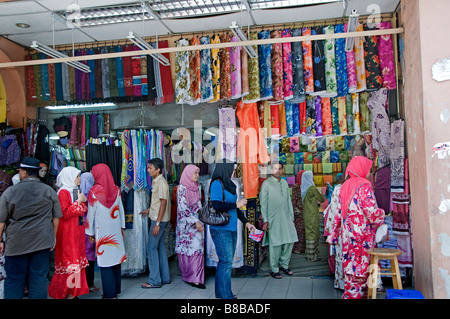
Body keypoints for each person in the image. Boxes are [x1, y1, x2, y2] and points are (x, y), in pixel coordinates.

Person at [0, 157, 62, 299]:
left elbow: (1, 221)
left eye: (21, 170)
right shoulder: (48, 191)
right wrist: (53, 237)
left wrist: (0, 241)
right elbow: (56, 218)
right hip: (42, 241)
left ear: (25, 173)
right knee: (39, 278)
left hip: (16, 243)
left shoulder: (10, 192)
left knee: (14, 279)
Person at [326, 156, 385, 299]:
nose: (371, 173)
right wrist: (382, 215)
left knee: (352, 276)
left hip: (347, 238)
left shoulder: (344, 186)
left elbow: (338, 214)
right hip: (361, 238)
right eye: (369, 170)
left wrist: (333, 235)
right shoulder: (364, 185)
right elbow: (371, 213)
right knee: (360, 275)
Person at [209, 162, 255, 299]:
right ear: (225, 169)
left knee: (224, 262)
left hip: (231, 228)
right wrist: (236, 204)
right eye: (232, 170)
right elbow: (216, 205)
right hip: (220, 229)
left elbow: (235, 209)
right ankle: (227, 296)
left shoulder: (230, 184)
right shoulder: (216, 184)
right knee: (226, 262)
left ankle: (220, 293)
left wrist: (247, 223)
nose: (233, 173)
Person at [48, 166, 89, 299]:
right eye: (77, 176)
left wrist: (80, 202)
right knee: (69, 262)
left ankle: (73, 292)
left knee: (75, 262)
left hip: (76, 231)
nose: (79, 179)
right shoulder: (63, 192)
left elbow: (80, 210)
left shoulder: (74, 190)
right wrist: (79, 202)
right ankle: (66, 291)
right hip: (67, 232)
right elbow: (64, 213)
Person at [86, 164, 126, 299]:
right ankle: (116, 289)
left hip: (102, 231)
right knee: (115, 259)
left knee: (105, 261)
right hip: (115, 229)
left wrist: (89, 232)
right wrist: (122, 227)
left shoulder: (93, 192)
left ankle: (110, 294)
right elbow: (121, 210)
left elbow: (91, 214)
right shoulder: (117, 190)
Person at [260, 163, 298, 279]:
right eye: (275, 169)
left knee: (289, 241)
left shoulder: (285, 183)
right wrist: (265, 220)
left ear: (282, 170)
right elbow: (263, 203)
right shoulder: (266, 184)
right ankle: (274, 269)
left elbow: (288, 201)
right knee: (275, 244)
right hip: (273, 219)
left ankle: (284, 264)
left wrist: (291, 217)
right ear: (271, 170)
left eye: (280, 169)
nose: (278, 171)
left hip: (286, 217)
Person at [140, 158, 171, 288]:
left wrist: (157, 224)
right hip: (158, 217)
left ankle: (154, 280)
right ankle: (164, 277)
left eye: (151, 168)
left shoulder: (161, 183)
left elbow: (163, 203)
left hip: (159, 220)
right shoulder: (156, 181)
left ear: (158, 170)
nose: (148, 170)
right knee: (160, 247)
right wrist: (148, 210)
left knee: (151, 248)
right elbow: (158, 202)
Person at [175, 164, 205, 289]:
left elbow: (198, 204)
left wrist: (200, 219)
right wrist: (194, 221)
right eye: (195, 173)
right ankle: (187, 275)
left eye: (198, 173)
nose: (197, 176)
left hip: (197, 223)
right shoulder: (181, 188)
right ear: (188, 174)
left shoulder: (198, 187)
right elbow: (182, 208)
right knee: (185, 250)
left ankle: (197, 279)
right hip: (185, 225)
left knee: (197, 249)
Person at [323, 173, 345, 290]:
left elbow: (331, 207)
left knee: (339, 254)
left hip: (339, 227)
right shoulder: (363, 187)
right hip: (349, 229)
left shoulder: (337, 189)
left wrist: (331, 230)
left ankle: (341, 282)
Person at [80, 172, 99, 292]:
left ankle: (83, 284)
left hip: (80, 227)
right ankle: (90, 283)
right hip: (90, 227)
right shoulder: (92, 193)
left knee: (82, 255)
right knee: (90, 255)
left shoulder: (78, 193)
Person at [301, 170, 325, 262]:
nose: (314, 177)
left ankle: (309, 253)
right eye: (312, 175)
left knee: (309, 231)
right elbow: (321, 199)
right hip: (312, 213)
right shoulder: (312, 188)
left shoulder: (304, 188)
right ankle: (312, 256)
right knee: (313, 231)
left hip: (307, 212)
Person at [291, 170, 306, 254]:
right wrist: (293, 212)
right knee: (299, 230)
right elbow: (294, 199)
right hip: (298, 212)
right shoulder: (296, 186)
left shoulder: (306, 185)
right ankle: (297, 248)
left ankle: (302, 247)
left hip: (305, 211)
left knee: (303, 230)